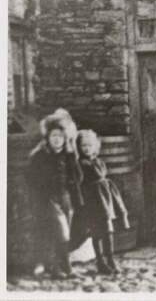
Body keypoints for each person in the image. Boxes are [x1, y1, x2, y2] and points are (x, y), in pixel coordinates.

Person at [27, 109, 83, 279]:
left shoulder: (67, 155)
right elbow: (30, 178)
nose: (57, 139)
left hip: (65, 197)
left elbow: (78, 177)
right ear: (47, 138)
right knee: (60, 231)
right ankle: (58, 266)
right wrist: (42, 192)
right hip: (48, 198)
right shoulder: (40, 156)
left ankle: (63, 266)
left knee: (65, 233)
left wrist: (73, 157)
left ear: (65, 138)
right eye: (53, 136)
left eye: (60, 136)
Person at [76, 129, 130, 274]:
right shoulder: (81, 163)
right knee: (96, 231)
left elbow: (103, 175)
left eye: (89, 145)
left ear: (95, 146)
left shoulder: (99, 161)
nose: (86, 148)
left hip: (104, 199)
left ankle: (110, 259)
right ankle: (100, 261)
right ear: (79, 147)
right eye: (83, 146)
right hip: (91, 200)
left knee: (108, 229)